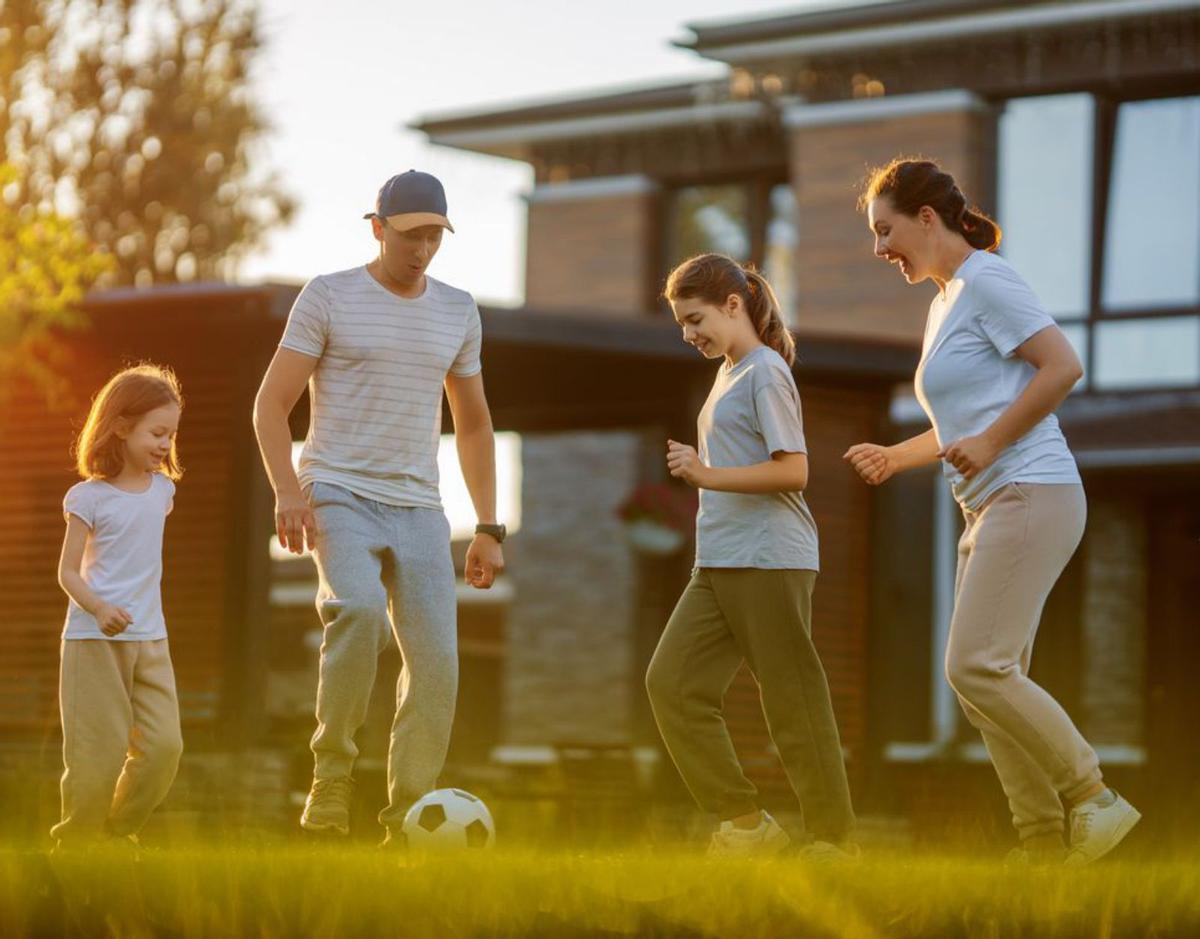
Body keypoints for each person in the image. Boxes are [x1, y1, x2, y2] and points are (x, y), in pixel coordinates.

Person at [847, 157, 1140, 865]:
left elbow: (1063, 366)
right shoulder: (944, 301)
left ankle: (1094, 798)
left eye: (886, 230)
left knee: (974, 664)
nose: (879, 248)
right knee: (988, 683)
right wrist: (897, 455)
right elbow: (961, 425)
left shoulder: (988, 279)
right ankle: (1041, 844)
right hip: (987, 506)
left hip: (1031, 491)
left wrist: (992, 440)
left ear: (927, 217)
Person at [253, 170, 505, 843]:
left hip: (421, 505)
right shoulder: (330, 296)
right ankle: (331, 775)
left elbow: (474, 424)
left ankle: (411, 816)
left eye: (433, 236)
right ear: (377, 227)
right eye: (409, 234)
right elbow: (271, 404)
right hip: (336, 489)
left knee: (438, 666)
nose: (422, 248)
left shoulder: (457, 310)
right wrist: (286, 490)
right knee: (357, 610)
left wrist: (487, 525)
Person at [645, 252, 856, 859]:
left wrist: (705, 475)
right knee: (673, 684)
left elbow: (795, 471)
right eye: (683, 325)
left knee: (793, 701)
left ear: (733, 305)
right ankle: (744, 822)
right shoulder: (729, 372)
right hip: (717, 562)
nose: (690, 335)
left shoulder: (765, 370)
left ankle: (834, 842)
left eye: (696, 319)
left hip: (769, 557)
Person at [52, 364, 185, 847]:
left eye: (170, 434)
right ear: (121, 426)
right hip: (95, 640)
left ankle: (114, 833)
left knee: (165, 747)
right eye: (156, 432)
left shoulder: (163, 492)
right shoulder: (88, 497)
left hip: (151, 639)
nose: (165, 444)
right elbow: (67, 572)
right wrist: (100, 608)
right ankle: (76, 848)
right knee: (98, 757)